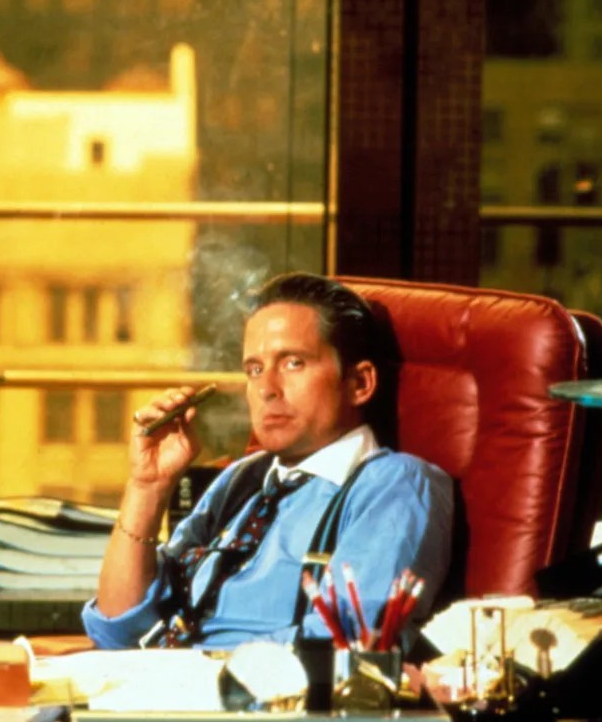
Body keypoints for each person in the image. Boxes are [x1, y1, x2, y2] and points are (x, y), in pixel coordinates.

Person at [81, 271, 454, 651]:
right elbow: (116, 627)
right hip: (158, 674)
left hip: (250, 685)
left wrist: (192, 666)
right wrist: (147, 487)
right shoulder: (242, 480)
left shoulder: (396, 485)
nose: (267, 390)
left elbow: (340, 649)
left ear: (359, 383)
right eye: (255, 370)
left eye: (293, 363)